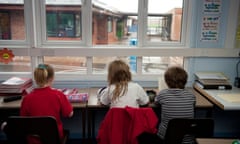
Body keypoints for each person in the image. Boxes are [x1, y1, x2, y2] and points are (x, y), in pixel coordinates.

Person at [138, 66, 196, 144]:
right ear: (185, 80)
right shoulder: (191, 96)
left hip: (166, 138)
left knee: (142, 134)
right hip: (188, 140)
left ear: (167, 81)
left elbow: (155, 104)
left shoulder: (163, 94)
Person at [20, 64, 73, 143]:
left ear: (36, 78)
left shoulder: (27, 99)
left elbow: (23, 120)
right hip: (54, 138)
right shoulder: (58, 95)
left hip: (34, 139)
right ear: (52, 78)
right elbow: (69, 114)